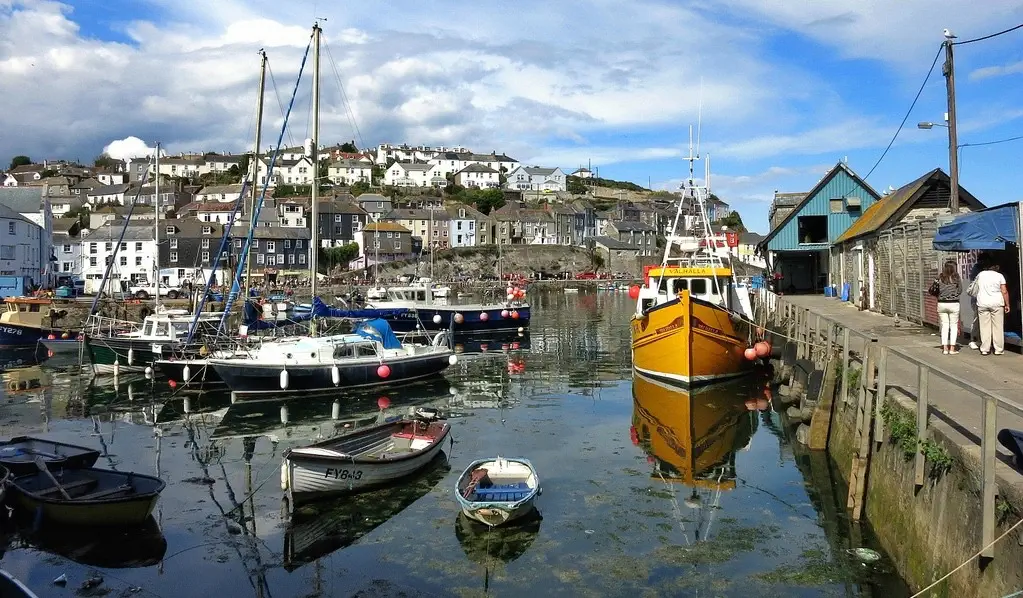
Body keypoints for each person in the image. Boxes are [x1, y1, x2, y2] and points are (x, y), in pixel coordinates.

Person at [972, 262, 1010, 355]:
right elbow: (1004, 291)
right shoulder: (1000, 276)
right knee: (998, 327)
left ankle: (985, 349)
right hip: (997, 303)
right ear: (996, 268)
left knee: (984, 327)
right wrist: (1007, 304)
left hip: (983, 303)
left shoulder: (980, 274)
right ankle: (998, 349)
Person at [933, 260, 963, 355]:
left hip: (942, 303)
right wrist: (954, 295)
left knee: (944, 325)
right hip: (954, 303)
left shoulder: (940, 277)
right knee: (953, 326)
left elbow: (934, 289)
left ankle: (945, 348)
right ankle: (952, 348)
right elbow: (960, 290)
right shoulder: (956, 277)